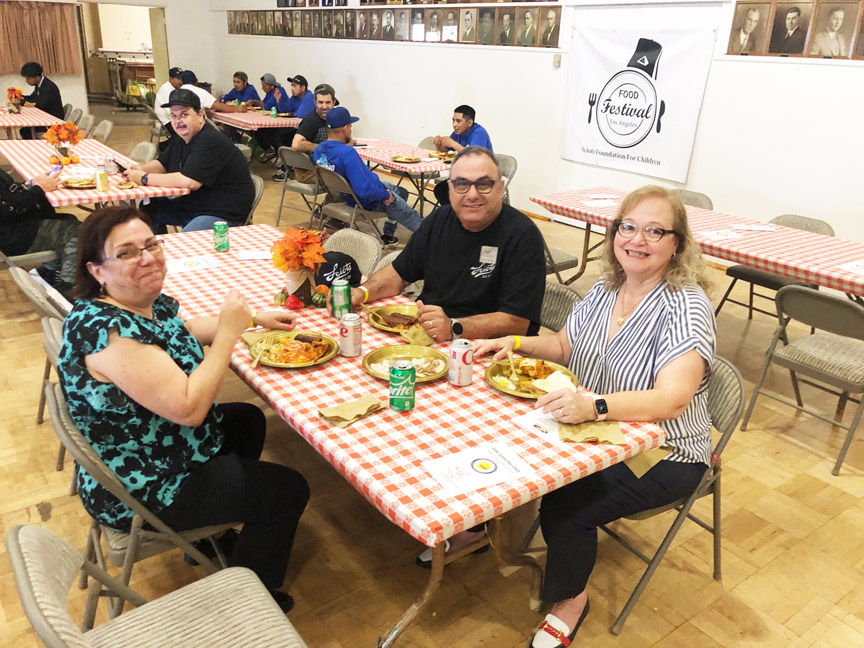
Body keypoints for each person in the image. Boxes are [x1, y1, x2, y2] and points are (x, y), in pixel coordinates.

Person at [473, 186, 715, 648]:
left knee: (566, 506)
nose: (637, 240)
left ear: (677, 244)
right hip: (599, 429)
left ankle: (570, 601)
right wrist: (515, 343)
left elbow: (673, 400)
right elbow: (565, 346)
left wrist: (597, 406)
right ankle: (475, 529)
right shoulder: (607, 287)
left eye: (654, 231)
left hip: (665, 450)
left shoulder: (686, 306)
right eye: (629, 227)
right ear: (614, 232)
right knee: (504, 443)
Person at [57, 206, 309, 613]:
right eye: (127, 252)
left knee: (246, 419)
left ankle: (208, 537)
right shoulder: (113, 336)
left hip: (148, 448)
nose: (147, 258)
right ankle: (251, 602)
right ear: (97, 270)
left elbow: (183, 330)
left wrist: (253, 319)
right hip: (143, 487)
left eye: (151, 245)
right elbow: (190, 409)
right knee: (288, 490)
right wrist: (228, 335)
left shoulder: (129, 302)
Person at [347, 146, 545, 345]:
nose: (472, 194)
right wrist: (362, 292)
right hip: (429, 336)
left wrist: (453, 326)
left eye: (484, 184)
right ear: (450, 189)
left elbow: (518, 322)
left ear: (500, 188)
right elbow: (399, 273)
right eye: (462, 184)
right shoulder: (439, 219)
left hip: (487, 348)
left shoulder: (522, 235)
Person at [124, 89, 254, 232]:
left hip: (221, 213)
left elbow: (190, 181)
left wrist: (144, 178)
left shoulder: (209, 140)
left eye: (184, 115)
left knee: (184, 239)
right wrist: (139, 169)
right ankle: (154, 244)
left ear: (200, 115)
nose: (178, 121)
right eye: (173, 116)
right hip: (194, 205)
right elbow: (162, 164)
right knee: (149, 206)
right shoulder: (181, 138)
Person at [312, 107, 422, 247]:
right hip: (367, 200)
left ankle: (388, 236)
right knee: (406, 211)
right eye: (350, 126)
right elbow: (363, 189)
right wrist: (386, 195)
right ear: (345, 127)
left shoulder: (319, 150)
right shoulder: (347, 153)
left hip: (347, 196)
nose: (351, 130)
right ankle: (430, 236)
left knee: (402, 192)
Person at [0, 167, 78, 297]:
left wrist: (30, 184)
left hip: (11, 228)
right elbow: (11, 206)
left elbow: (8, 194)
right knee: (78, 230)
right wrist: (39, 189)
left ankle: (50, 272)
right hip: (11, 237)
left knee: (69, 220)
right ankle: (67, 288)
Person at [272, 76, 316, 182]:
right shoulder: (295, 97)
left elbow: (301, 114)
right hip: (299, 128)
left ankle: (288, 168)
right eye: (291, 86)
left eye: (294, 86)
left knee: (286, 137)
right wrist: (279, 100)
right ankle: (287, 167)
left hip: (310, 131)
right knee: (280, 135)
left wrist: (291, 113)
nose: (292, 88)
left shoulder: (309, 97)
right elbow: (285, 110)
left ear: (303, 88)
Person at [291, 84, 337, 182]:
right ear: (315, 102)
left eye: (328, 102)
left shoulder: (335, 118)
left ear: (334, 102)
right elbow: (296, 145)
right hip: (308, 171)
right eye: (320, 102)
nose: (324, 106)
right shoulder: (310, 120)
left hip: (327, 166)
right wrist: (324, 147)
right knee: (346, 179)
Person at [249, 73, 291, 162]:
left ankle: (277, 152)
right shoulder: (270, 93)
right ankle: (270, 150)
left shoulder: (278, 91)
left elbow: (266, 106)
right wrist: (255, 102)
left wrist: (256, 102)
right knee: (256, 130)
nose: (262, 88)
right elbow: (264, 103)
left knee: (262, 130)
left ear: (272, 85)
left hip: (283, 123)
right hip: (274, 121)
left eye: (264, 86)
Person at [19, 62, 64, 139]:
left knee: (26, 131)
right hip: (46, 117)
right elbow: (32, 98)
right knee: (24, 130)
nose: (26, 81)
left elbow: (40, 104)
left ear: (37, 77)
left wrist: (22, 101)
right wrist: (19, 97)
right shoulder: (40, 84)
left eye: (28, 78)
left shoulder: (48, 87)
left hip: (52, 121)